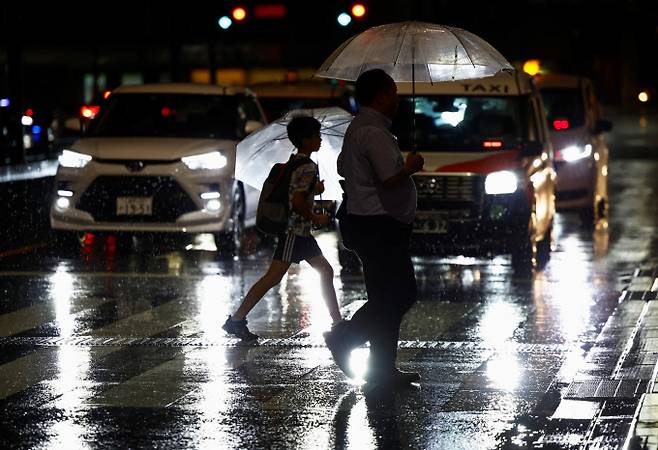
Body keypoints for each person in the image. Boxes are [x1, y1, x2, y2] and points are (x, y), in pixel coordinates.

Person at [324, 69, 425, 389]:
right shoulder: (374, 132)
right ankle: (345, 338)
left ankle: (382, 368)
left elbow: (344, 168)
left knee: (386, 298)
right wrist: (410, 167)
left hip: (368, 223)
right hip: (379, 225)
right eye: (393, 92)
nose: (397, 99)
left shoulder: (359, 128)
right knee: (400, 294)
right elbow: (389, 178)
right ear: (380, 95)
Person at [222, 116, 343, 341]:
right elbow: (296, 201)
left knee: (324, 271)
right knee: (273, 277)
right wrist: (316, 215)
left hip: (300, 234)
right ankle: (236, 320)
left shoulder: (295, 162)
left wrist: (314, 189)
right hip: (293, 233)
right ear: (305, 140)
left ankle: (338, 322)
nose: (320, 140)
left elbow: (295, 193)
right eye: (316, 136)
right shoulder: (307, 166)